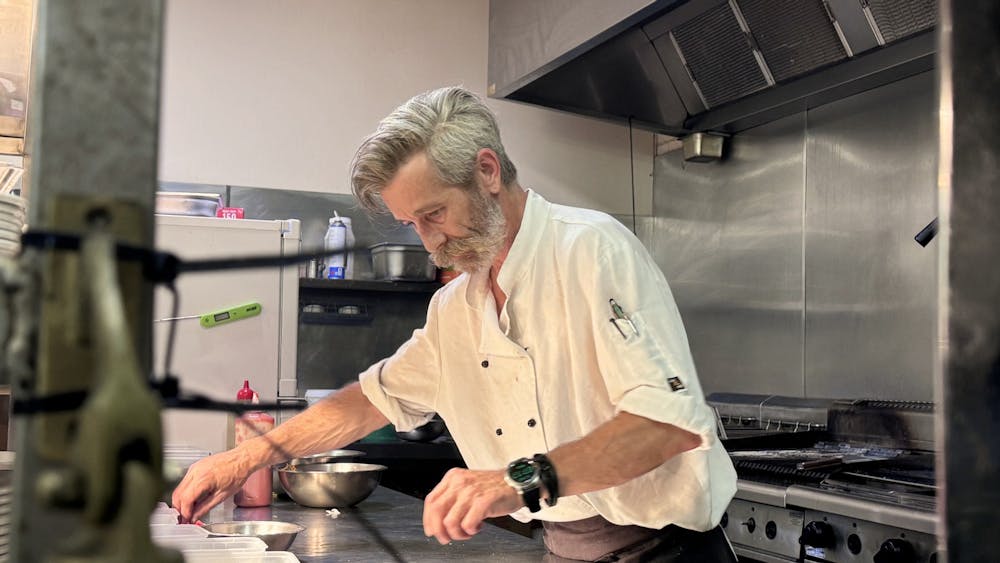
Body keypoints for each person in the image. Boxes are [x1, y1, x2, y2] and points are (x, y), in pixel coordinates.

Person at [172, 86, 738, 562]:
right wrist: (245, 456)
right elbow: (370, 401)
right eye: (412, 223)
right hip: (566, 548)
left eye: (435, 213)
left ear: (486, 170)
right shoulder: (456, 308)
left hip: (667, 551)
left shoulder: (590, 251)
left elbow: (666, 424)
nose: (431, 241)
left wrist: (514, 480)